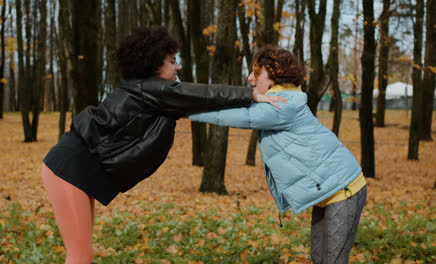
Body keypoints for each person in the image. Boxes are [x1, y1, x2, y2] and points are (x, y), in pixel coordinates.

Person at [41, 26, 284, 264]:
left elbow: (198, 102)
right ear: (153, 63)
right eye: (171, 61)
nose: (177, 66)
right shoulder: (153, 89)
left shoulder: (151, 94)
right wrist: (250, 94)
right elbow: (204, 93)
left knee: (81, 254)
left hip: (77, 170)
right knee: (80, 256)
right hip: (70, 168)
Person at [188, 46, 367, 263]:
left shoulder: (282, 104)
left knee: (333, 261)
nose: (250, 78)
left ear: (273, 73)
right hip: (327, 192)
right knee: (319, 257)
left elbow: (239, 116)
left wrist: (183, 109)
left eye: (256, 72)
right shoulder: (281, 98)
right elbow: (245, 106)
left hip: (344, 188)